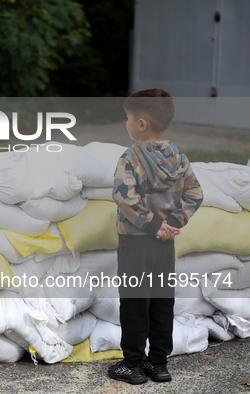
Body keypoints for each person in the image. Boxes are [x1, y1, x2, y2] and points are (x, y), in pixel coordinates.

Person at [107, 88, 204, 385]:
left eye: (128, 118)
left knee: (135, 303)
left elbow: (124, 197)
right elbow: (195, 194)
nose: (127, 123)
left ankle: (133, 365)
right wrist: (173, 222)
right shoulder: (179, 157)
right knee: (162, 302)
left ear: (142, 124)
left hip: (136, 243)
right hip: (166, 245)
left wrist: (152, 225)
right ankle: (159, 364)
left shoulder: (130, 156)